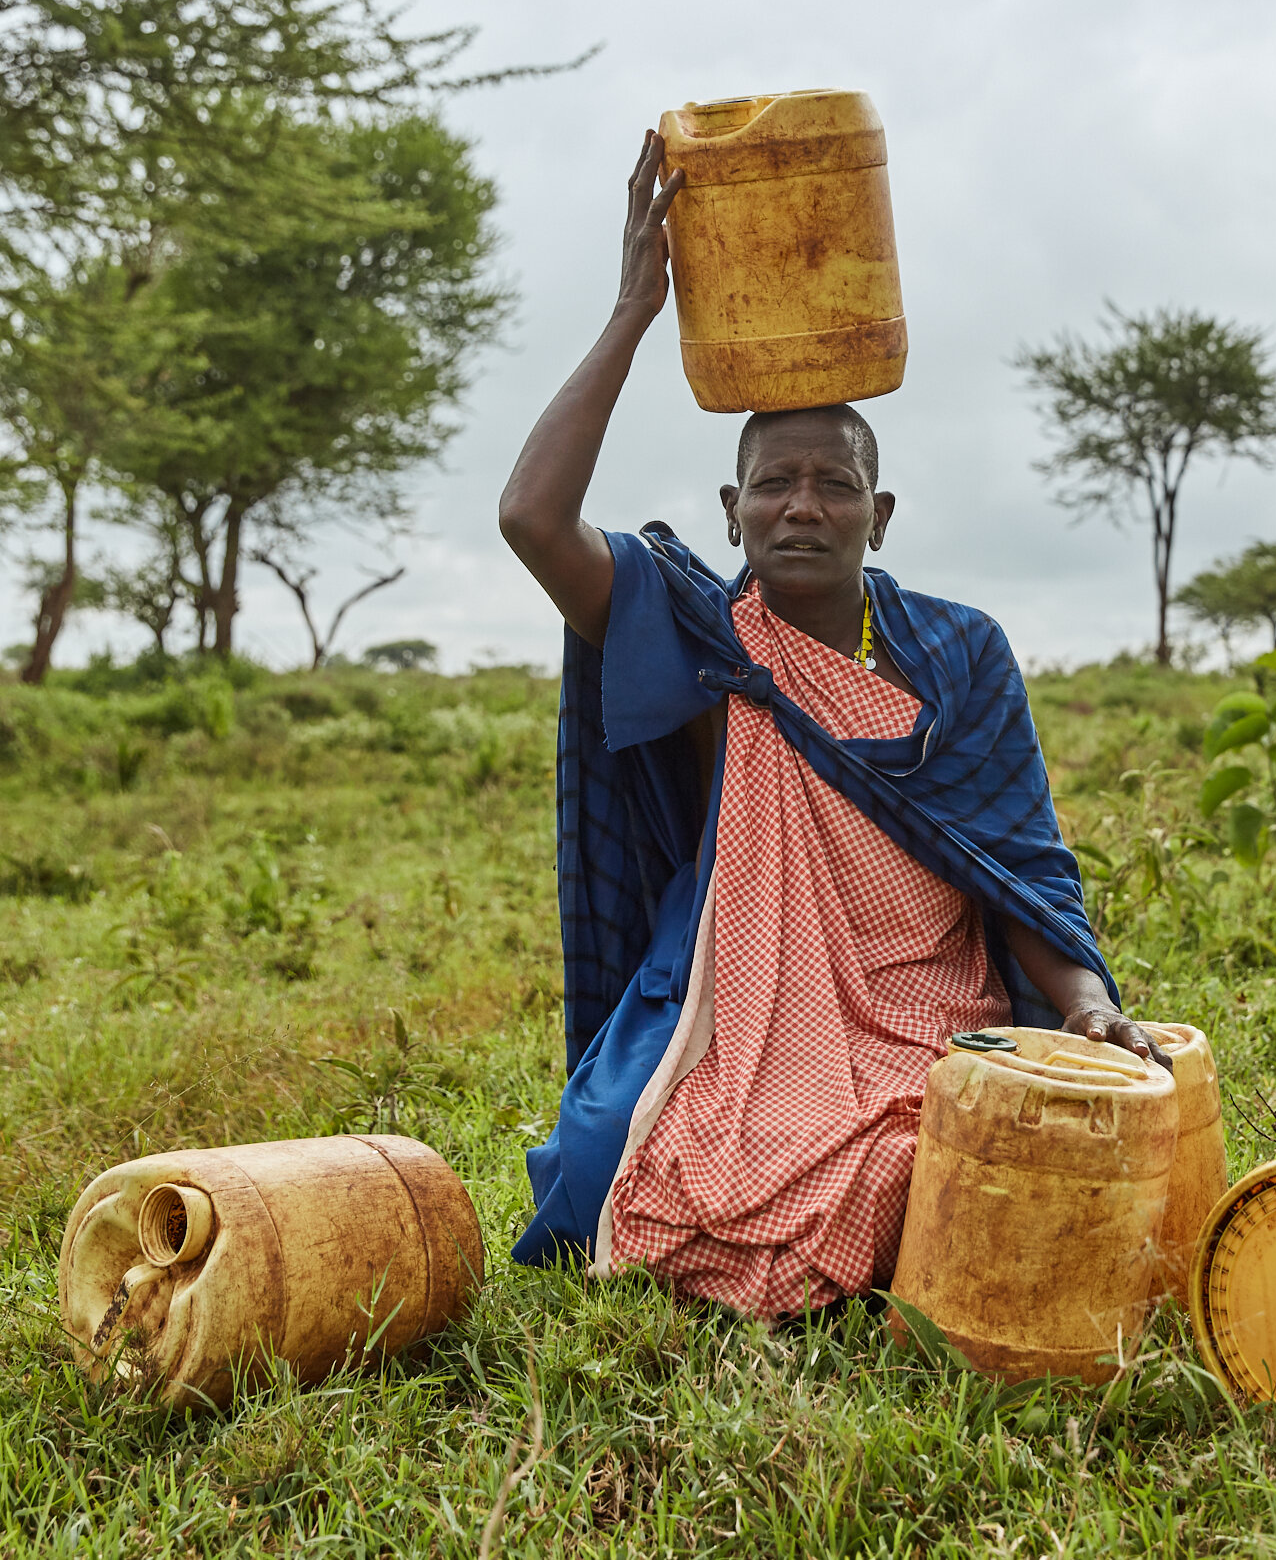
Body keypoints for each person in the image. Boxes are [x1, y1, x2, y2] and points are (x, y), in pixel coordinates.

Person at [496, 131, 1167, 1318]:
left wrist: (1081, 1006)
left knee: (944, 1161)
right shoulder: (696, 629)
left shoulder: (960, 650)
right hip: (723, 998)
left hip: (926, 1005)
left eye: (834, 482)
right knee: (602, 1161)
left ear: (881, 510)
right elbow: (532, 518)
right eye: (773, 482)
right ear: (732, 508)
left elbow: (1018, 868)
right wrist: (631, 311)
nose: (802, 504)